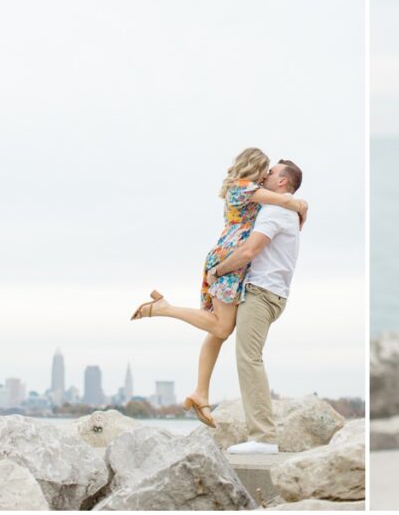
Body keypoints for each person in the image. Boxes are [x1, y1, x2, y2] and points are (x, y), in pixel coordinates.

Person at [129, 149, 306, 427]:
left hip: (233, 263)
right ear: (253, 169)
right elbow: (282, 200)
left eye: (270, 172)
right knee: (222, 327)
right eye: (265, 170)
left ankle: (200, 392)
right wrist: (299, 204)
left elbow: (279, 202)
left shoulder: (254, 192)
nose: (266, 175)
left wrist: (294, 204)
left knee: (218, 331)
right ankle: (164, 308)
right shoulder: (242, 188)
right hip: (228, 260)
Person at [214, 158, 304, 454]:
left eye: (272, 172)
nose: (265, 174)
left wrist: (218, 271)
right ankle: (261, 434)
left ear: (282, 182)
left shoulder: (276, 212)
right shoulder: (283, 209)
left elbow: (250, 250)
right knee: (245, 353)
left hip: (262, 292)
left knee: (248, 358)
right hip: (271, 293)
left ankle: (263, 437)